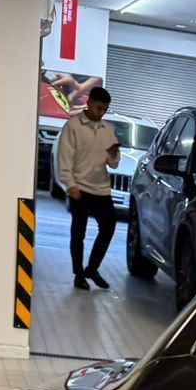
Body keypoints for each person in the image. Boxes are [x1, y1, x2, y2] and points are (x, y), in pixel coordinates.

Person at [55, 84, 120, 290]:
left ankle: (92, 267)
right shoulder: (73, 126)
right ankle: (78, 274)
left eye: (105, 110)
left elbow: (114, 163)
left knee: (109, 226)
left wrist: (113, 154)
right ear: (89, 102)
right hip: (79, 188)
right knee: (78, 232)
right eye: (99, 108)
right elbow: (64, 157)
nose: (102, 113)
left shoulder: (107, 130)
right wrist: (69, 184)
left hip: (101, 188)